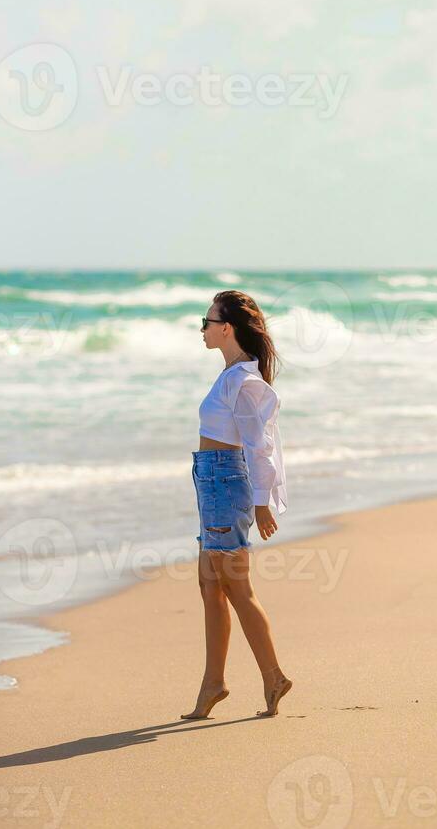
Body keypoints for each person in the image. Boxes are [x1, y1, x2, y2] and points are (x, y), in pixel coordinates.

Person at [181, 290, 293, 720]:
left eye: (207, 322)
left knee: (236, 588)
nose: (203, 329)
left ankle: (273, 676)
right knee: (210, 585)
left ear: (226, 328)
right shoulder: (230, 376)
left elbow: (258, 447)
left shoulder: (245, 382)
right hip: (211, 480)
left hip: (225, 482)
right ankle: (214, 683)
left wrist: (262, 504)